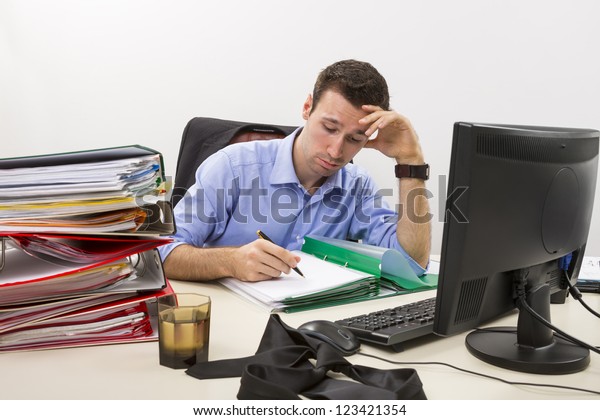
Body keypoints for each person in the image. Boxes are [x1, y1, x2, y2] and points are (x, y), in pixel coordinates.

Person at [159, 59, 431, 282]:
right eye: (329, 128)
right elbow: (162, 252)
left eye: (355, 139)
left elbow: (411, 264)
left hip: (312, 325)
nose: (336, 151)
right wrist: (230, 261)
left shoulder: (357, 186)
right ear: (306, 108)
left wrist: (411, 162)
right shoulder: (233, 167)